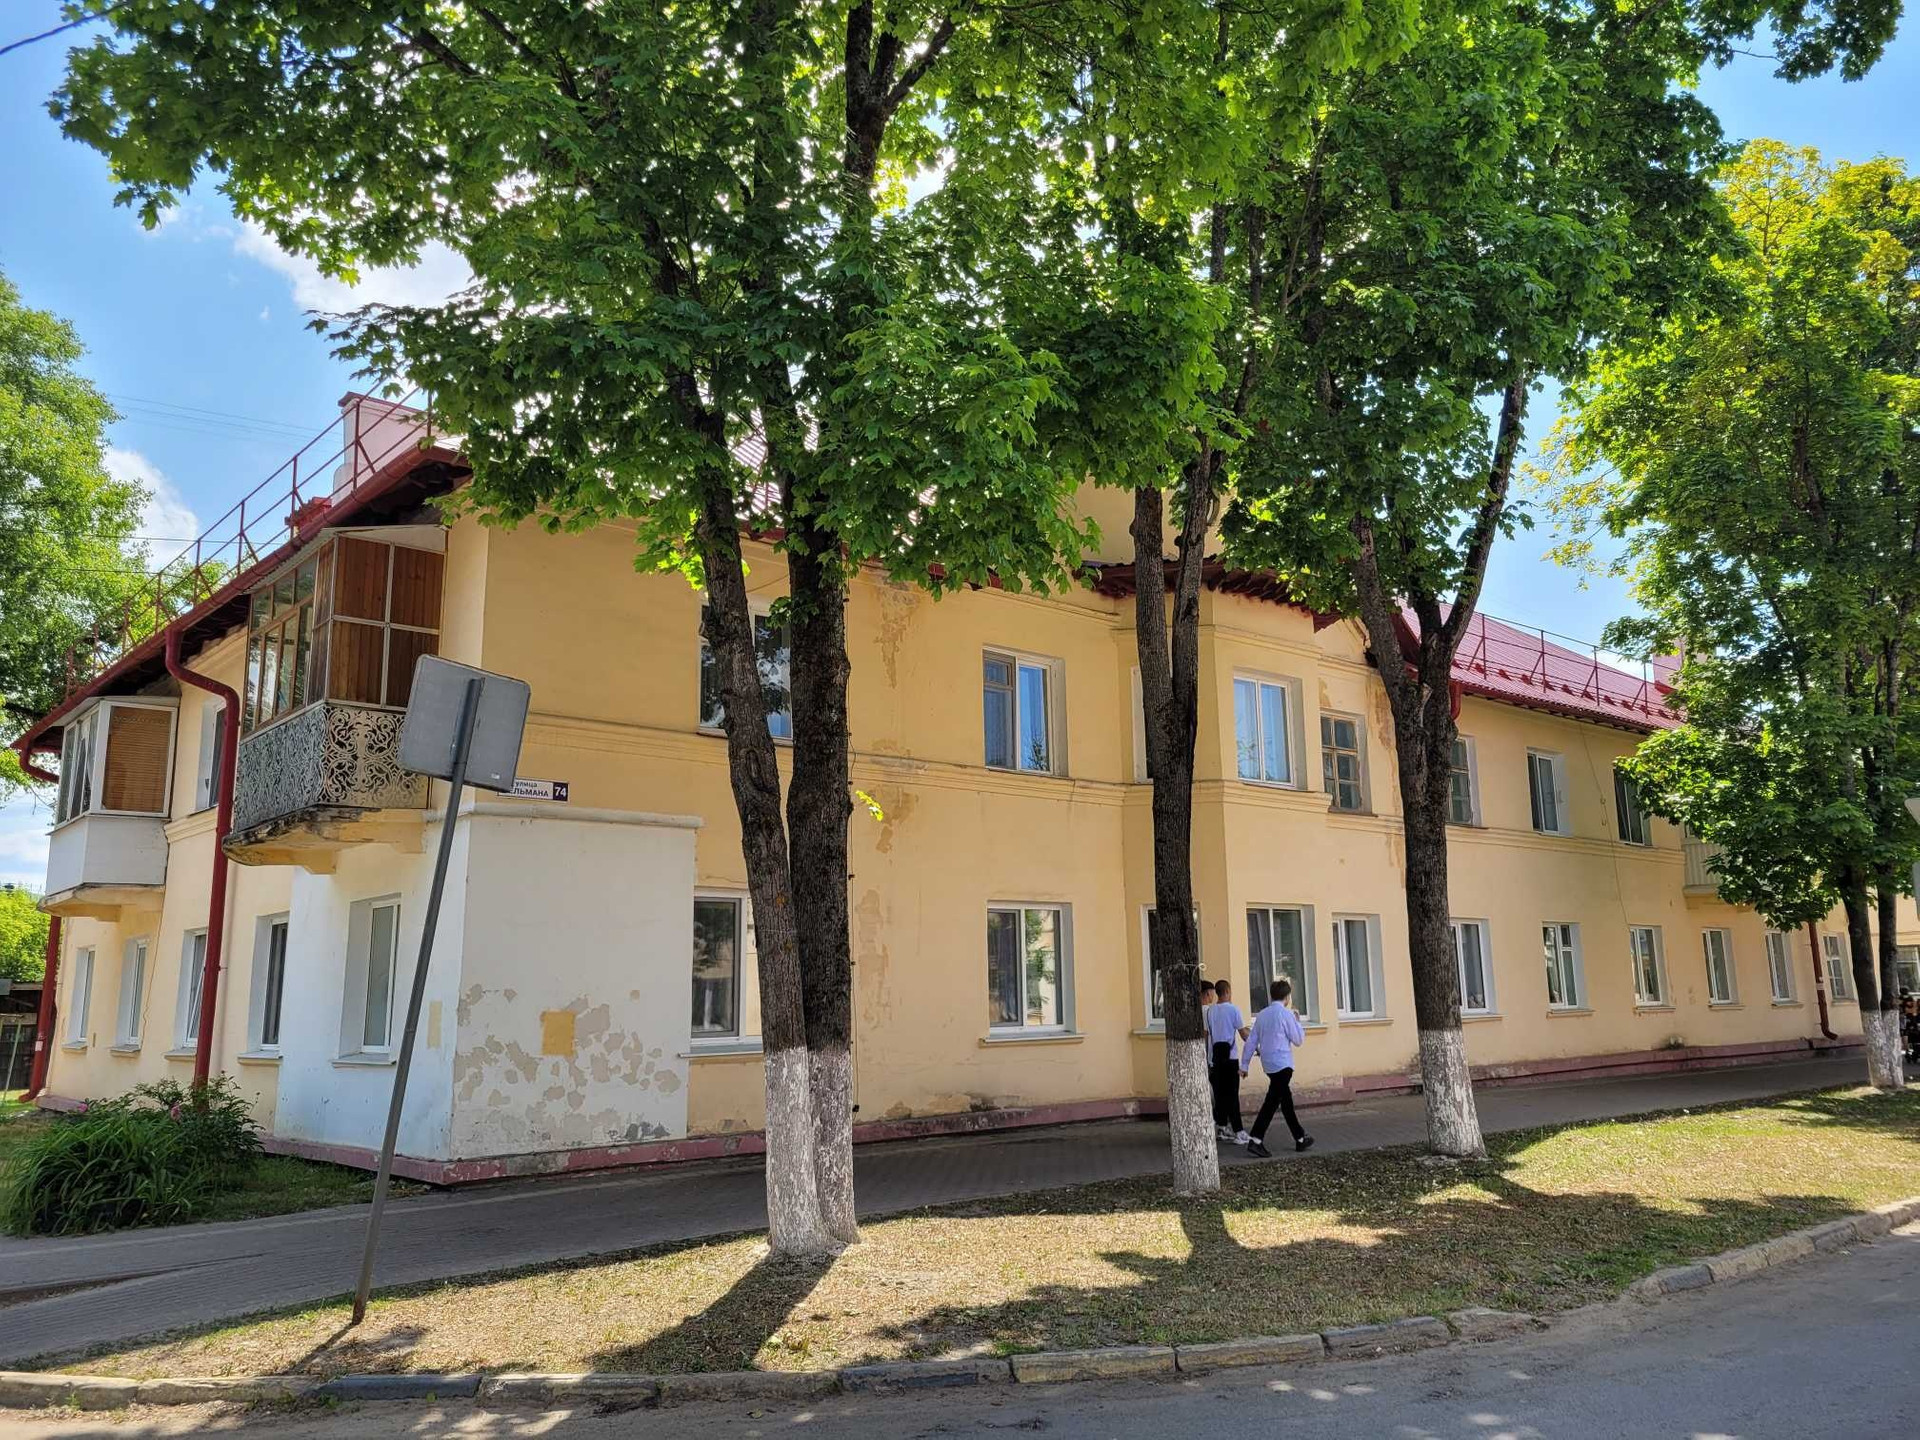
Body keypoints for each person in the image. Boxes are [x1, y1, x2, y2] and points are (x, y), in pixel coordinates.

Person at [1240, 977, 1314, 1158]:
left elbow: (1251, 1041)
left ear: (1272, 995)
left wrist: (1244, 1064)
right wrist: (1297, 1022)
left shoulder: (1262, 1015)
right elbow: (1298, 1040)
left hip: (1269, 1064)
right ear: (1287, 997)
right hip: (1283, 1064)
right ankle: (1256, 1140)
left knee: (1285, 1101)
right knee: (1272, 1102)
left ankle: (1300, 1137)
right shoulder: (1287, 1015)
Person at [1205, 978, 1249, 1145]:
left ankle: (1222, 1127)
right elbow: (1243, 1034)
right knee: (1232, 1095)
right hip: (1230, 1058)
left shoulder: (1210, 1011)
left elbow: (1207, 1034)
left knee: (1220, 1094)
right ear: (1228, 991)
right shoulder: (1233, 1010)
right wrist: (1256, 1046)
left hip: (1216, 1058)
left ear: (1217, 993)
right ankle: (1239, 1131)